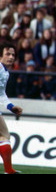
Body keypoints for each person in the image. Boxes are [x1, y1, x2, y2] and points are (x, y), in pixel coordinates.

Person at [0, 42, 23, 174]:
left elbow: (1, 94)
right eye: (7, 54)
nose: (11, 57)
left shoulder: (5, 72)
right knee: (3, 135)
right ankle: (9, 171)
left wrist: (11, 107)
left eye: (13, 54)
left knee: (3, 136)